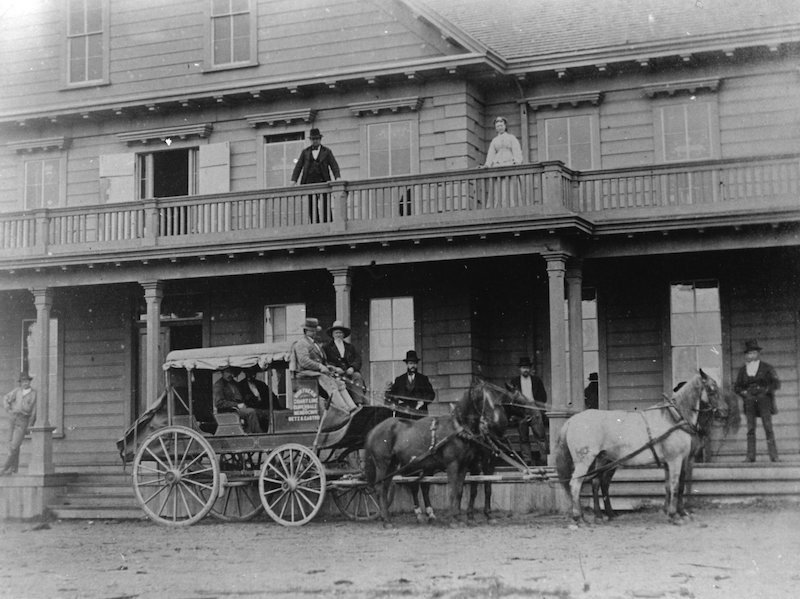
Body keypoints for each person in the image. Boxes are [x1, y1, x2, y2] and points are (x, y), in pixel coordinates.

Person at [291, 317, 358, 413]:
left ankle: (352, 407)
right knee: (329, 382)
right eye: (312, 331)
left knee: (340, 383)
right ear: (306, 331)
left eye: (315, 331)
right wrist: (320, 367)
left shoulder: (315, 344)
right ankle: (344, 409)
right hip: (306, 374)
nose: (314, 333)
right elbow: (304, 361)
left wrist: (331, 367)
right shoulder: (302, 344)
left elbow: (322, 361)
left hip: (316, 373)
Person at [734, 340, 781, 462]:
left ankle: (774, 456)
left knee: (768, 427)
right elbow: (737, 387)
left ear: (758, 353)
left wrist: (765, 391)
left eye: (754, 352)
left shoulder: (767, 368)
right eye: (749, 353)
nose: (751, 355)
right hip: (749, 401)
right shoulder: (743, 370)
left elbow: (776, 383)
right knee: (750, 429)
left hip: (764, 400)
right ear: (746, 355)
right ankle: (750, 457)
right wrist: (744, 393)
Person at [290, 128, 341, 223]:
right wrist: (294, 180)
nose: (315, 141)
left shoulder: (327, 151)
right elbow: (298, 166)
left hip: (323, 180)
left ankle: (328, 222)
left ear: (320, 139)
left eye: (317, 139)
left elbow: (334, 165)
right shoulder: (305, 152)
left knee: (326, 203)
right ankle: (315, 223)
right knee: (311, 204)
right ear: (311, 140)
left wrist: (337, 177)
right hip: (309, 181)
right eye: (313, 139)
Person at [507, 356, 548, 466]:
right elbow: (511, 399)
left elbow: (543, 397)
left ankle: (544, 459)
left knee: (540, 436)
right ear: (519, 369)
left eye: (527, 367)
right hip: (521, 412)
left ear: (530, 369)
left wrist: (538, 408)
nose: (525, 370)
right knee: (523, 437)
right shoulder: (514, 382)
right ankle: (527, 460)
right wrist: (517, 411)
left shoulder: (536, 380)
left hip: (534, 409)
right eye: (523, 367)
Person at [322, 320, 367, 404]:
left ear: (344, 335)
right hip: (335, 374)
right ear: (332, 334)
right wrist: (335, 368)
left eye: (340, 333)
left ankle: (359, 402)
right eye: (336, 333)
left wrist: (352, 368)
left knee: (357, 376)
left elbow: (357, 359)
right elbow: (324, 361)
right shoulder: (326, 347)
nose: (338, 335)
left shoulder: (350, 347)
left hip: (349, 373)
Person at [1, 372, 37, 475]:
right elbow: (6, 398)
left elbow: (34, 411)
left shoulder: (34, 394)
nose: (25, 383)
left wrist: (29, 425)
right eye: (22, 381)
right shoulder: (17, 391)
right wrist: (8, 409)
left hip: (23, 420)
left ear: (30, 382)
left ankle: (4, 469)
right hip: (13, 418)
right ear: (20, 383)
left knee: (14, 445)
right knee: (11, 444)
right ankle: (12, 469)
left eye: (26, 381)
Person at [213, 367, 264, 434]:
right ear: (222, 373)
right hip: (229, 411)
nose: (230, 374)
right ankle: (258, 434)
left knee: (261, 412)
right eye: (228, 372)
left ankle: (251, 431)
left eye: (231, 372)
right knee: (251, 412)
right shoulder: (218, 385)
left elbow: (241, 396)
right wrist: (236, 405)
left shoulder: (233, 383)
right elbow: (219, 403)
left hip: (240, 408)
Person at [237, 366, 278, 431]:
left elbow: (272, 396)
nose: (252, 375)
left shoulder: (261, 384)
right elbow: (241, 401)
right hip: (252, 410)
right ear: (245, 373)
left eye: (254, 373)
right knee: (254, 413)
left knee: (276, 414)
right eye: (249, 373)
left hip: (264, 409)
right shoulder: (240, 386)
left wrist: (278, 408)